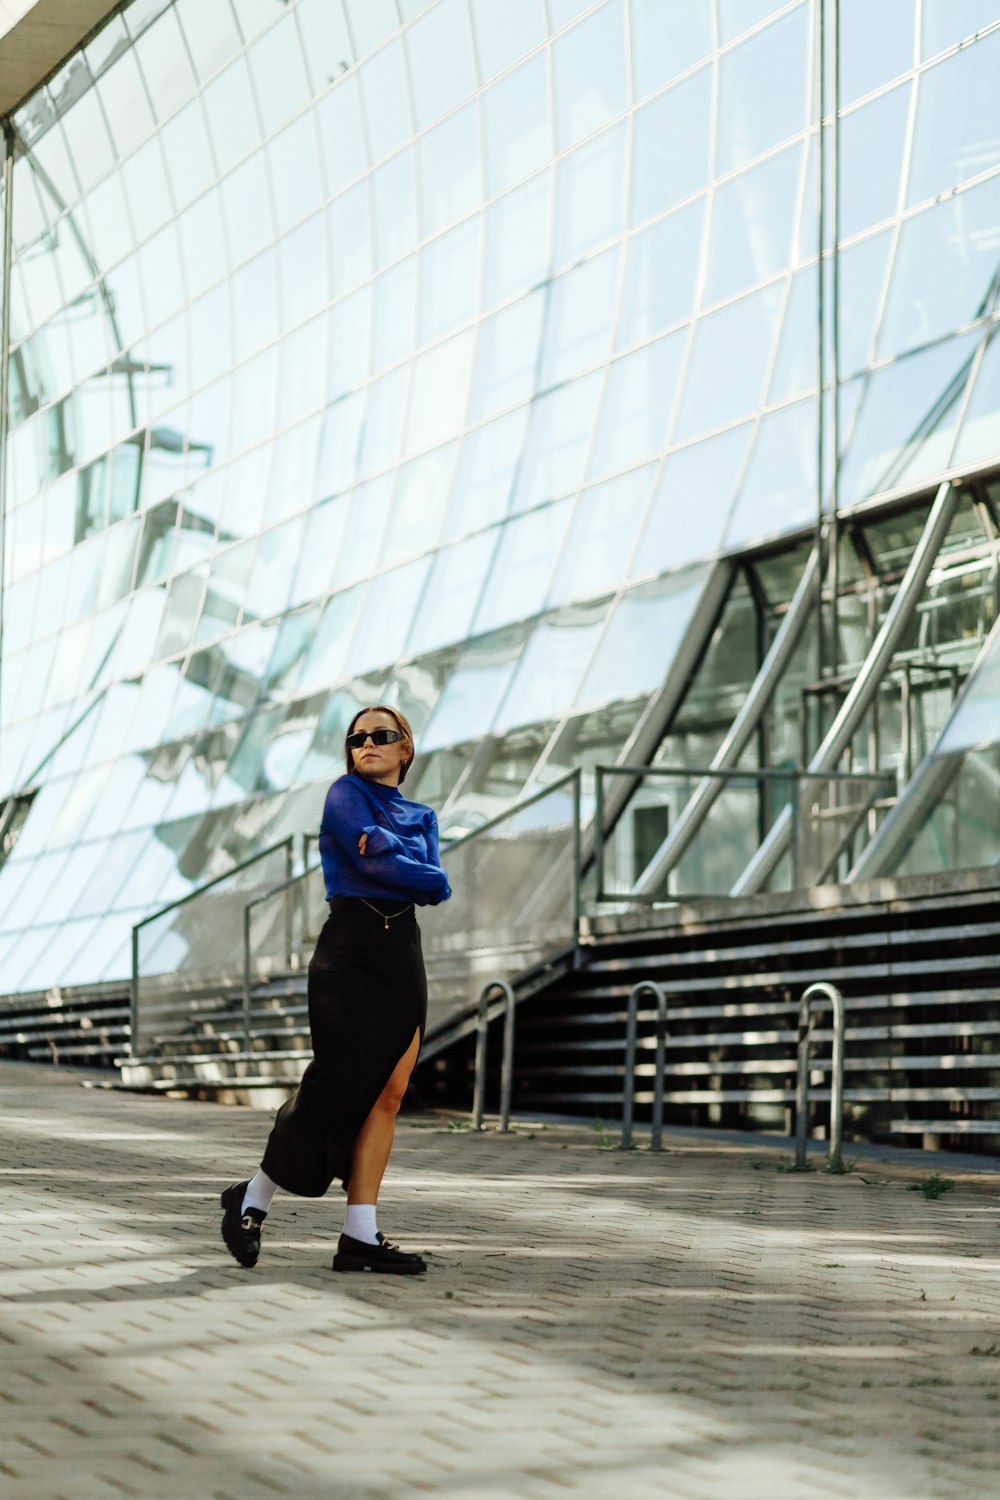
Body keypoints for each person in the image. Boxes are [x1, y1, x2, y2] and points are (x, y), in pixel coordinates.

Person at [219, 704, 451, 1275]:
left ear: (406, 749)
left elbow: (436, 883)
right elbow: (377, 865)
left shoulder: (421, 814)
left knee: (388, 1094)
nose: (366, 743)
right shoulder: (344, 795)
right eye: (357, 737)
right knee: (336, 1081)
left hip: (401, 955)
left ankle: (359, 1236)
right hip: (349, 947)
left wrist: (388, 854)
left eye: (381, 735)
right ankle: (253, 1198)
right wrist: (398, 862)